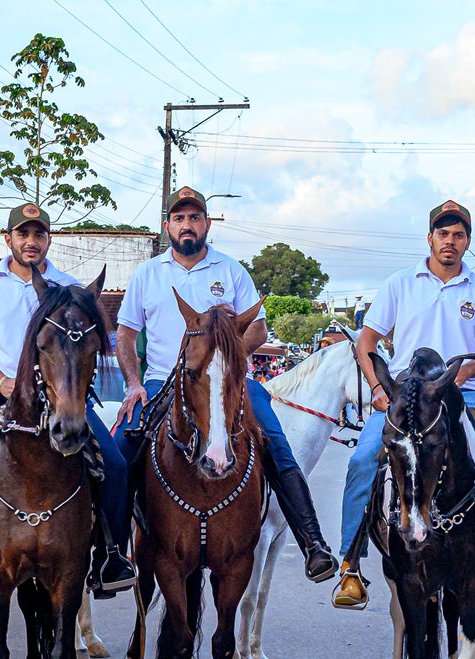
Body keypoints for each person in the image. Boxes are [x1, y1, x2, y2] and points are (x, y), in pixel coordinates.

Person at [111, 186, 336, 583]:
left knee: (277, 444)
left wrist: (225, 362)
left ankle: (313, 543)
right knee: (121, 451)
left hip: (229, 382)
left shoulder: (231, 270)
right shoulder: (148, 273)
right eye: (179, 218)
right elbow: (126, 336)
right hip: (163, 380)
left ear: (207, 224)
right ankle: (112, 554)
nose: (187, 224)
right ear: (167, 226)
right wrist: (133, 383)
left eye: (194, 217)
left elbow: (258, 328)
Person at [0, 203, 136, 595]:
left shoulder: (68, 287)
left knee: (115, 465)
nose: (31, 241)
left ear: (48, 240)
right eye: (23, 234)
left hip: (61, 394)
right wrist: (2, 383)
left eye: (39, 234)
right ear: (8, 239)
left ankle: (110, 557)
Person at [333, 199, 475, 610]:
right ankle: (350, 567)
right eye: (443, 234)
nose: (450, 241)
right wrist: (378, 387)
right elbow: (367, 342)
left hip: (465, 395)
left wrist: (463, 374)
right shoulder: (400, 283)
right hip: (405, 397)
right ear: (430, 238)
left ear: (468, 242)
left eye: (458, 235)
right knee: (362, 462)